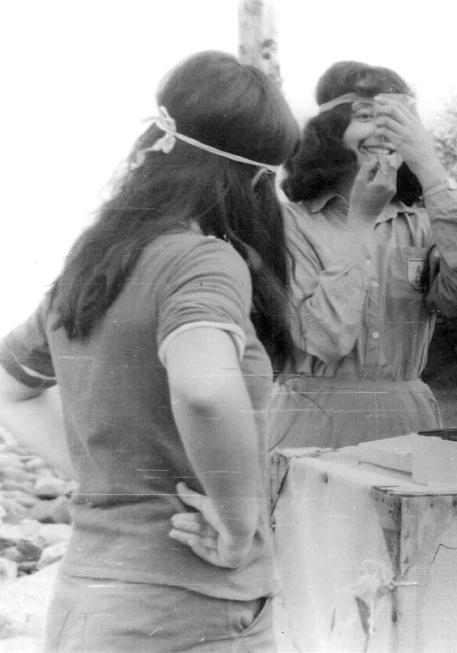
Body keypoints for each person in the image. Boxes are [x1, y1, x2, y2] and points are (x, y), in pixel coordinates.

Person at [0, 51, 298, 651]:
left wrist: (105, 474)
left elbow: (10, 387)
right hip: (189, 608)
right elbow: (204, 388)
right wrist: (237, 521)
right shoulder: (202, 260)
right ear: (253, 179)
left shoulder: (93, 267)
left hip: (91, 600)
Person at [269, 61, 457, 450]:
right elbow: (324, 338)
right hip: (312, 426)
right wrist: (360, 223)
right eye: (366, 116)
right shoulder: (287, 224)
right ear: (330, 130)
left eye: (400, 119)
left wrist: (430, 167)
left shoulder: (423, 226)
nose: (385, 130)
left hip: (406, 425)